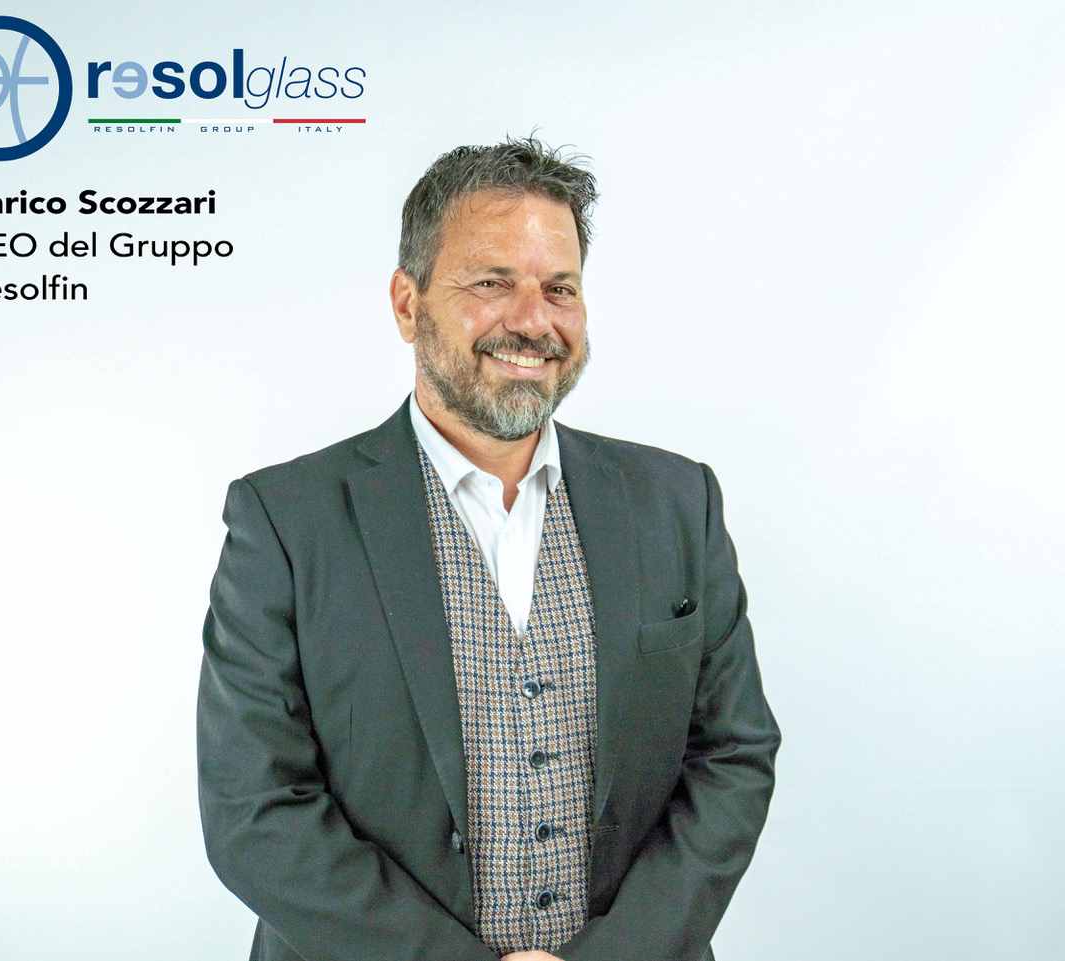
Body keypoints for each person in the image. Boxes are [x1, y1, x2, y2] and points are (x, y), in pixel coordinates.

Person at [196, 134, 781, 961]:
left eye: (559, 288)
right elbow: (252, 808)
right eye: (492, 282)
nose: (533, 320)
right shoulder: (286, 521)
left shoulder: (678, 501)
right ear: (408, 303)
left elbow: (733, 754)